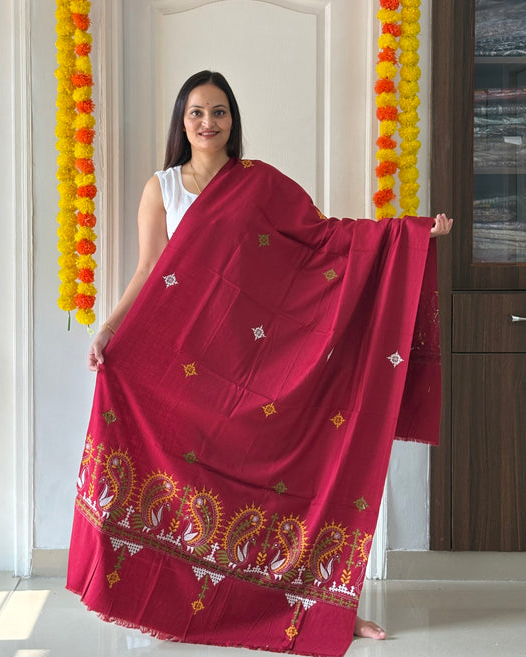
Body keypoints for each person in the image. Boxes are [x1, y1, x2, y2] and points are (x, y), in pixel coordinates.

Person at [70, 70, 452, 655]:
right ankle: (159, 595)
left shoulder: (258, 183)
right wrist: (110, 329)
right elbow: (148, 270)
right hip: (182, 362)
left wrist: (411, 235)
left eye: (218, 112)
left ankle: (319, 606)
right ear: (181, 122)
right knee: (180, 480)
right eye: (196, 112)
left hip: (247, 363)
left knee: (275, 476)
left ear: (233, 120)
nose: (208, 123)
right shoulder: (162, 187)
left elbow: (323, 240)